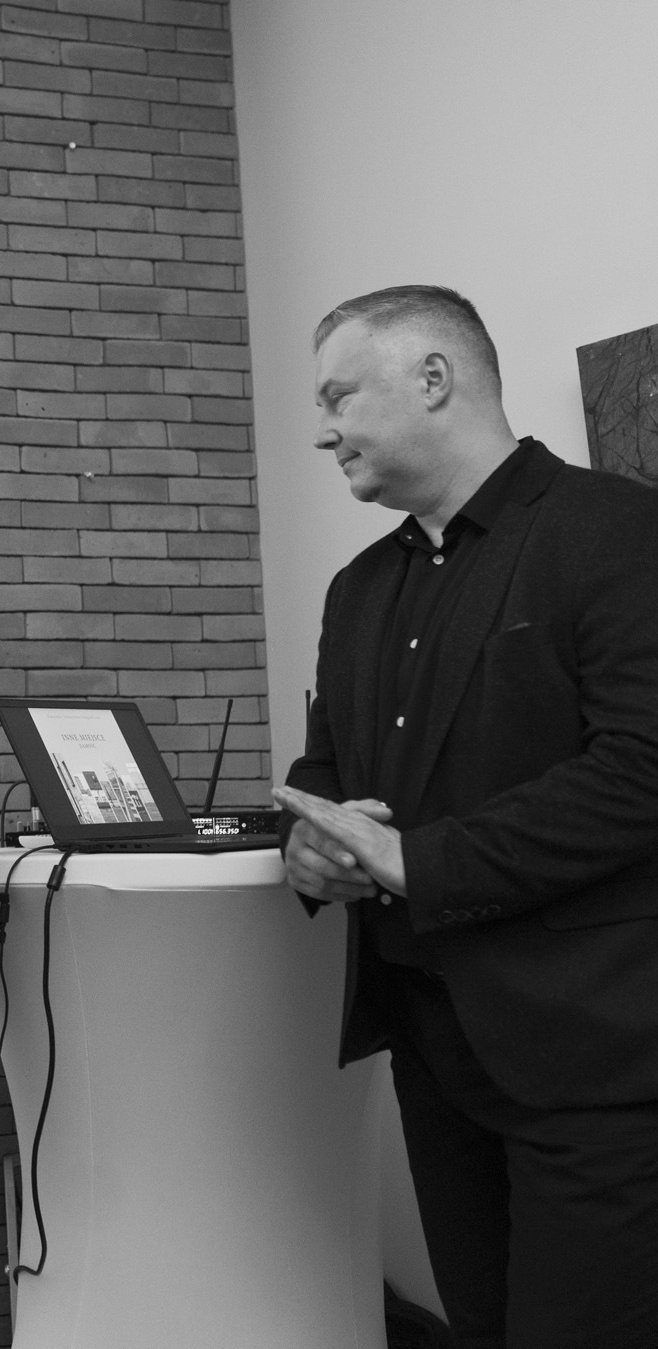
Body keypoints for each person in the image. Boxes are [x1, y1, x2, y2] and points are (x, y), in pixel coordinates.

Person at [273, 286, 658, 1349]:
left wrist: (417, 860)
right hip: (433, 1053)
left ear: (433, 379)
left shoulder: (618, 531)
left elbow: (639, 769)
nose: (321, 430)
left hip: (592, 1063)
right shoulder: (356, 588)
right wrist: (312, 846)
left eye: (338, 396)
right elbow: (326, 766)